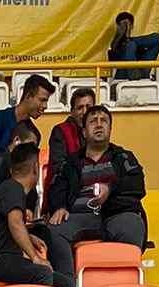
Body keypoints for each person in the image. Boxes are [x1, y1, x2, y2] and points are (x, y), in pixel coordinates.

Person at [45, 104, 149, 274]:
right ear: (84, 132)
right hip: (79, 217)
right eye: (93, 121)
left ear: (110, 129)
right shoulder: (71, 162)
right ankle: (68, 285)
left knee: (133, 225)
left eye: (104, 121)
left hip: (116, 215)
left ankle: (123, 283)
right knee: (54, 230)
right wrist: (60, 207)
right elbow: (56, 187)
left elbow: (137, 186)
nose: (99, 125)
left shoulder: (123, 157)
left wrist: (110, 189)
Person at [0, 139, 72, 287]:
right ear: (35, 168)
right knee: (43, 273)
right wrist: (35, 258)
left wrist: (29, 237)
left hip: (1, 261)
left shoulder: (9, 189)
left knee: (65, 284)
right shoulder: (13, 189)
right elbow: (16, 224)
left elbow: (9, 226)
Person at [0, 73, 55, 206]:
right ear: (28, 96)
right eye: (42, 100)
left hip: (17, 198)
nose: (45, 106)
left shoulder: (34, 134)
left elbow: (29, 172)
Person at [43, 85, 95, 212]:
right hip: (64, 198)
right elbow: (58, 168)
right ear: (72, 111)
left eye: (88, 107)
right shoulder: (60, 131)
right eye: (80, 108)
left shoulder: (97, 132)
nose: (84, 112)